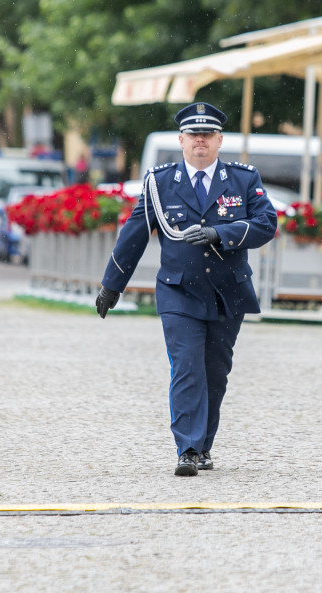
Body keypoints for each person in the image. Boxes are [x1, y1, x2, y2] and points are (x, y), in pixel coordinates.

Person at [95, 102, 277, 477]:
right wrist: (111, 287)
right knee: (187, 367)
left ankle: (205, 444)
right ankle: (188, 450)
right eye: (193, 135)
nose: (200, 141)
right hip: (179, 291)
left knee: (215, 371)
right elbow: (134, 235)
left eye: (207, 134)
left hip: (228, 291)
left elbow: (266, 223)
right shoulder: (160, 183)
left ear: (219, 140)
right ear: (181, 140)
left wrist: (220, 233)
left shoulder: (242, 179)